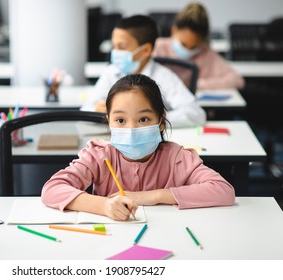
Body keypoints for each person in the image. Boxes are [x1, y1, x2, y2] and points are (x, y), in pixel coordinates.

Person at [42, 74, 235, 221]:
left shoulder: (177, 158)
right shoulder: (99, 155)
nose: (132, 128)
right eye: (120, 120)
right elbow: (52, 189)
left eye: (143, 119)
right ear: (108, 122)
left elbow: (223, 191)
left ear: (161, 122)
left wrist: (154, 196)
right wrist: (104, 206)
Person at [81, 15, 206, 128]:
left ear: (146, 50)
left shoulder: (164, 76)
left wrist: (153, 120)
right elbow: (84, 111)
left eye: (122, 47)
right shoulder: (111, 72)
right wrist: (96, 111)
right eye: (114, 46)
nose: (115, 52)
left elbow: (196, 113)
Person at [153, 2, 245, 90]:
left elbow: (237, 80)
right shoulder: (157, 47)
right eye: (183, 44)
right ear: (174, 30)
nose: (187, 49)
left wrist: (196, 84)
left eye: (193, 46)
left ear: (202, 41)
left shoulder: (206, 53)